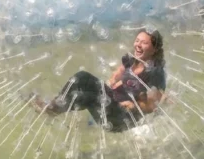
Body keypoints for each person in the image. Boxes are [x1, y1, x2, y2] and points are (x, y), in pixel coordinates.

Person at [30, 30, 167, 132]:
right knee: (82, 77)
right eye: (137, 40)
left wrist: (133, 105)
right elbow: (117, 74)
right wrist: (109, 84)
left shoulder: (156, 72)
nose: (138, 45)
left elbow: (153, 105)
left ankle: (53, 110)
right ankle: (55, 104)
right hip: (111, 103)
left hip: (122, 117)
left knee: (86, 97)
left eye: (144, 43)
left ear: (154, 49)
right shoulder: (131, 60)